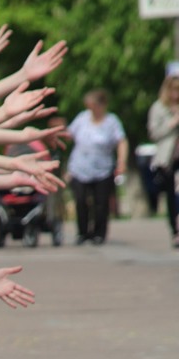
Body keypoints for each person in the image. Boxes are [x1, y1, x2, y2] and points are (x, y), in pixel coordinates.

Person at [67, 89, 128, 245]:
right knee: (80, 200)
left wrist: (122, 161)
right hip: (80, 167)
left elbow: (121, 141)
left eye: (94, 105)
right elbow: (69, 135)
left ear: (102, 105)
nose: (92, 109)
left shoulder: (111, 121)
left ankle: (99, 233)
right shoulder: (82, 118)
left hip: (103, 168)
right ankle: (82, 232)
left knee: (101, 202)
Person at [147, 74, 179, 248]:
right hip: (168, 158)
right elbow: (154, 133)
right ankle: (175, 231)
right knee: (172, 197)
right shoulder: (159, 108)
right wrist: (172, 123)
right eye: (173, 90)